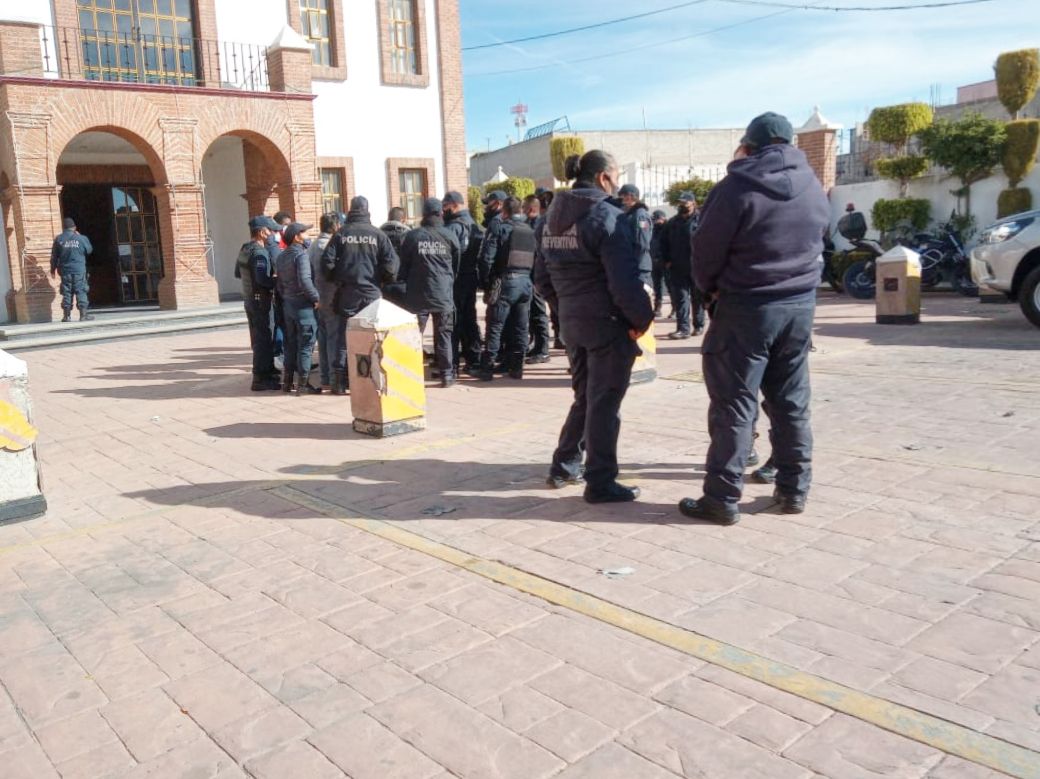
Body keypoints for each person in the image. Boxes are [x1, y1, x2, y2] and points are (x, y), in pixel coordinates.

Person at [678, 112, 830, 525]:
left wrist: (709, 290)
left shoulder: (736, 187)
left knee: (735, 405)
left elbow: (705, 252)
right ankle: (794, 490)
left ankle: (722, 499)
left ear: (750, 145)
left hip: (746, 307)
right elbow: (822, 237)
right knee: (792, 403)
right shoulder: (813, 186)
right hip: (799, 306)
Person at [534, 150, 653, 504]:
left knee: (586, 397)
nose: (617, 182)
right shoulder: (607, 216)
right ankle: (600, 481)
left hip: (573, 323)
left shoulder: (549, 217)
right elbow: (624, 283)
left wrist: (565, 308)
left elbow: (541, 277)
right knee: (604, 404)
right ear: (604, 177)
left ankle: (565, 463)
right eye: (615, 175)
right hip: (607, 325)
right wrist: (641, 321)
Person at [322, 196, 400, 394]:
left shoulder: (341, 234)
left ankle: (339, 382)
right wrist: (381, 280)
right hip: (371, 293)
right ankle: (371, 379)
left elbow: (326, 264)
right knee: (374, 336)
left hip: (347, 293)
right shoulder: (378, 235)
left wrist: (339, 278)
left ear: (350, 210)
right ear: (367, 210)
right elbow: (391, 266)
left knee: (343, 338)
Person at [399, 198, 461, 388]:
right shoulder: (449, 235)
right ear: (441, 213)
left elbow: (404, 266)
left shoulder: (412, 236)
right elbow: (455, 266)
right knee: (443, 335)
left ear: (423, 214)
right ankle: (447, 376)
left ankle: (411, 374)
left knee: (414, 336)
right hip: (442, 294)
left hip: (418, 294)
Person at [477, 197, 534, 381]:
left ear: (504, 211)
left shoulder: (500, 228)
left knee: (495, 326)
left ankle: (486, 368)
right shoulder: (529, 230)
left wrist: (486, 281)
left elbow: (487, 258)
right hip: (526, 283)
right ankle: (517, 368)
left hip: (506, 281)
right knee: (520, 327)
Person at [276, 222, 322, 395]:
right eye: (304, 232)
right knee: (306, 345)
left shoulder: (281, 256)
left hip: (288, 304)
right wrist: (316, 299)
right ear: (296, 237)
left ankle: (287, 382)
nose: (307, 235)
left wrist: (287, 297)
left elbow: (279, 284)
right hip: (303, 306)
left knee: (290, 344)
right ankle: (303, 384)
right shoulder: (301, 255)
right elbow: (305, 281)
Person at [237, 215, 281, 391]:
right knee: (263, 338)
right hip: (260, 300)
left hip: (250, 299)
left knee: (260, 336)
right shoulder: (259, 252)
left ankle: (268, 370)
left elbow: (238, 272)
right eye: (270, 230)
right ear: (262, 232)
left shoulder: (245, 249)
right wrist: (278, 281)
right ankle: (260, 378)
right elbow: (262, 279)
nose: (272, 234)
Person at [443, 190, 483, 374]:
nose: (443, 210)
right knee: (470, 318)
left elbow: (449, 255)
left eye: (446, 207)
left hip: (457, 278)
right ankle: (473, 358)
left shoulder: (454, 227)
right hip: (471, 277)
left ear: (454, 205)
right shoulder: (473, 224)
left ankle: (453, 363)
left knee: (456, 321)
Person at [660, 191, 704, 339]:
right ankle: (683, 329)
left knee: (697, 298)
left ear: (693, 203)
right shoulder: (672, 223)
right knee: (681, 298)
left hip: (697, 266)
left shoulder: (702, 220)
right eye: (680, 203)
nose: (682, 206)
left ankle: (699, 325)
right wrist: (666, 261)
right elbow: (663, 243)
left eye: (685, 203)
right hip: (678, 267)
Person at [308, 212, 341, 392]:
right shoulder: (328, 245)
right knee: (333, 338)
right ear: (335, 226)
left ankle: (325, 377)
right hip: (330, 296)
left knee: (323, 338)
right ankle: (333, 378)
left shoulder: (313, 245)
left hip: (318, 297)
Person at [523, 194, 552, 365]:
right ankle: (537, 346)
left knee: (539, 313)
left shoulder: (540, 225)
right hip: (530, 273)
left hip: (537, 275)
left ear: (532, 209)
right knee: (533, 312)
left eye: (525, 208)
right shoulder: (530, 224)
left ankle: (543, 350)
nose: (522, 211)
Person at [50, 217, 94, 322]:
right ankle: (83, 315)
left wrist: (53, 270)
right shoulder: (81, 238)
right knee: (81, 290)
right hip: (79, 270)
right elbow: (89, 250)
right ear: (74, 227)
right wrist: (79, 237)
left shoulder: (58, 239)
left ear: (63, 228)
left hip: (65, 271)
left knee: (66, 291)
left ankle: (66, 316)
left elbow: (54, 257)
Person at [618, 184, 654, 300]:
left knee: (641, 302)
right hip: (632, 266)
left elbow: (642, 243)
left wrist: (633, 263)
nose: (621, 200)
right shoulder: (629, 215)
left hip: (639, 267)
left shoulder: (640, 215)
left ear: (630, 197)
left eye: (622, 196)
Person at [649, 209, 669, 318]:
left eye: (658, 220)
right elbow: (640, 225)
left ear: (663, 219)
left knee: (670, 286)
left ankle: (675, 307)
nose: (656, 222)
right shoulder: (652, 228)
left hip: (665, 261)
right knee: (657, 286)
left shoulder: (669, 228)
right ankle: (658, 307)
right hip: (654, 261)